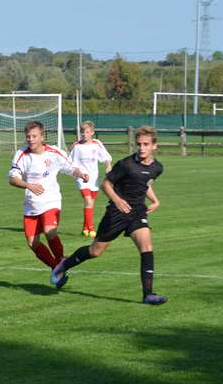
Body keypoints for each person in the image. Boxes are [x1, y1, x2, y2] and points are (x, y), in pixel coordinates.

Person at [50, 126, 168, 305]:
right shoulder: (126, 164)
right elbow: (106, 184)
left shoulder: (157, 168)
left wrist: (155, 200)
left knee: (147, 247)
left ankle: (148, 294)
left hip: (137, 212)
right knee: (95, 251)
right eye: (139, 144)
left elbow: (144, 183)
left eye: (146, 144)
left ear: (154, 146)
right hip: (116, 213)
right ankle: (64, 265)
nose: (142, 148)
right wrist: (117, 201)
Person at [9, 121, 89, 270]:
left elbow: (70, 168)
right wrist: (28, 185)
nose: (31, 139)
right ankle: (56, 268)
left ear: (42, 137)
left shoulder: (55, 152)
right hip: (31, 204)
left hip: (51, 200)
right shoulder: (21, 154)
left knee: (49, 231)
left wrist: (81, 174)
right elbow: (13, 179)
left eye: (34, 136)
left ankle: (61, 260)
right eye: (28, 136)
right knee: (32, 242)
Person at [69, 121, 112, 238]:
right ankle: (92, 229)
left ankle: (85, 228)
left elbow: (106, 157)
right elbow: (71, 163)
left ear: (92, 132)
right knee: (88, 200)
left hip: (94, 179)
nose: (84, 134)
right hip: (82, 178)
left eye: (87, 132)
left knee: (90, 204)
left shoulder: (97, 144)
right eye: (82, 132)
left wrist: (108, 166)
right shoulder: (77, 146)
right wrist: (80, 174)